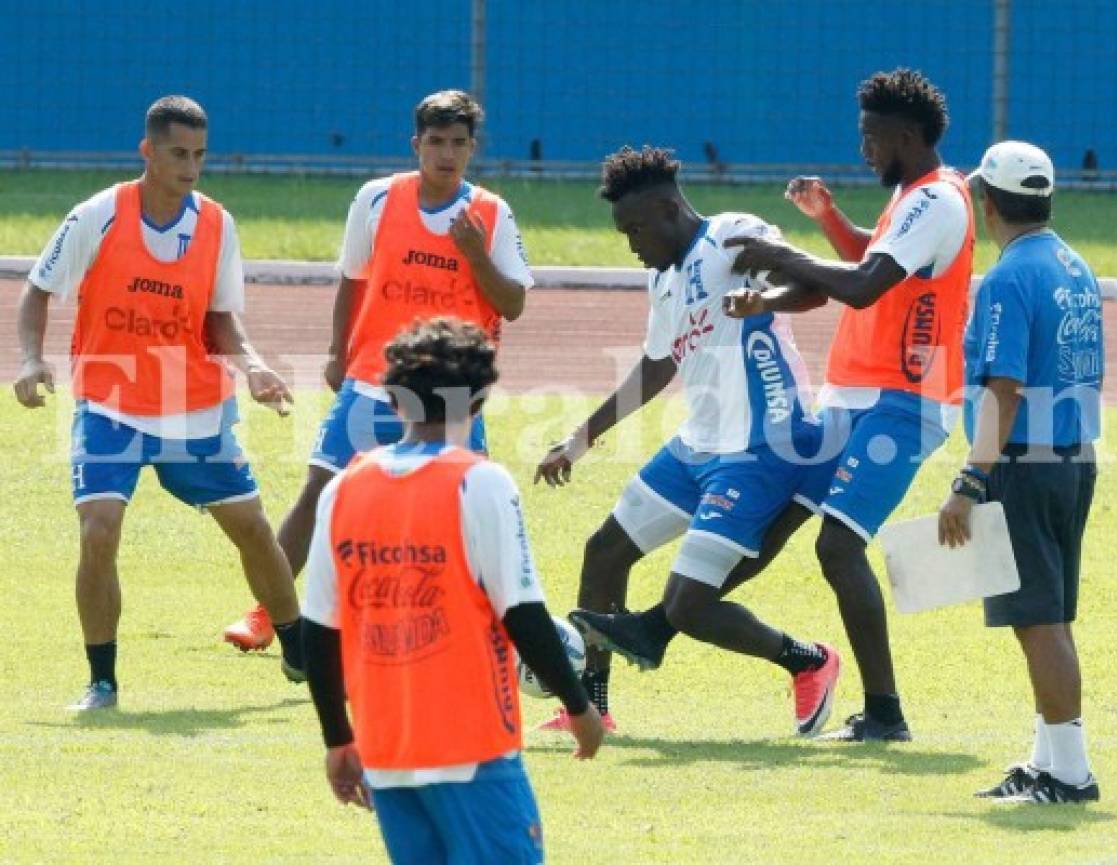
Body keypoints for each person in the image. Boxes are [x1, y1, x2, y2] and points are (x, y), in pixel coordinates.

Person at [582, 69, 974, 742]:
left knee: (838, 546)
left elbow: (860, 287)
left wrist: (780, 255)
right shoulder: (914, 198)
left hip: (903, 400)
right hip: (853, 399)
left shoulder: (935, 200)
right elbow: (874, 262)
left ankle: (885, 712)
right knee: (777, 527)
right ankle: (656, 626)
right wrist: (826, 223)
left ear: (907, 134)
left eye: (872, 137)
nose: (865, 150)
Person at [534, 145, 841, 736]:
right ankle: (592, 709)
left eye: (635, 229)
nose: (631, 244)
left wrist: (765, 301)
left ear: (668, 208)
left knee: (688, 607)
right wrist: (578, 440)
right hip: (696, 446)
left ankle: (809, 661)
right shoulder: (664, 280)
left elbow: (813, 287)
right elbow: (655, 367)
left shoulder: (731, 235)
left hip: (760, 447)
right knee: (604, 552)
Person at [12, 96, 304, 711]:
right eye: (178, 153)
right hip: (109, 403)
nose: (191, 166)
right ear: (147, 151)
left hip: (192, 406)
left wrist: (251, 365)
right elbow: (38, 290)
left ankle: (298, 647)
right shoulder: (99, 214)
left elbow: (220, 317)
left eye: (199, 154)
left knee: (251, 529)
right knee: (99, 530)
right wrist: (33, 359)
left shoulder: (219, 225)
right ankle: (103, 683)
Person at [224, 89, 534, 652]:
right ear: (415, 144)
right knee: (320, 491)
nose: (446, 154)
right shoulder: (376, 200)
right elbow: (353, 278)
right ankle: (269, 614)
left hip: (452, 394)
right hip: (373, 378)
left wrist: (475, 254)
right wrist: (338, 352)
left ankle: (490, 626)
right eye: (435, 142)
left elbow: (512, 302)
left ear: (472, 148)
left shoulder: (490, 213)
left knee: (466, 508)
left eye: (458, 144)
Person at [301, 318, 604, 864]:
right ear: (480, 401)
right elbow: (525, 615)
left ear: (392, 401)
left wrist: (337, 738)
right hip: (473, 747)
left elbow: (318, 631)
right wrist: (578, 704)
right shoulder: (479, 482)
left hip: (386, 750)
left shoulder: (343, 489)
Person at [938, 142, 1103, 804]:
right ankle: (1048, 759)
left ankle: (1070, 773)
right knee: (1049, 615)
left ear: (989, 202)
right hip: (1072, 457)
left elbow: (1003, 390)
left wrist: (968, 483)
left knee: (1037, 620)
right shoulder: (1075, 264)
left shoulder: (1009, 278)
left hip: (1024, 465)